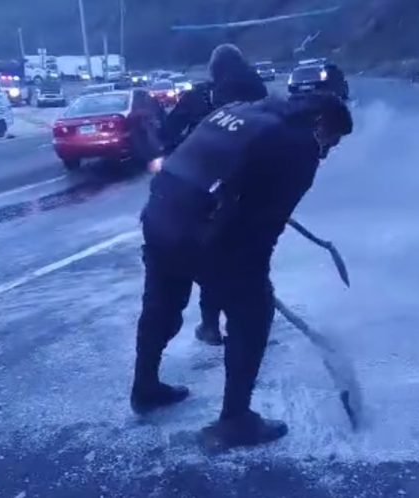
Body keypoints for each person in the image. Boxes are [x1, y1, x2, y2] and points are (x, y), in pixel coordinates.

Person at [130, 90, 354, 450]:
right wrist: (253, 277)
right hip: (199, 226)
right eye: (332, 140)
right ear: (321, 123)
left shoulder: (236, 110)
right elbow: (266, 225)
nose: (327, 150)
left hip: (160, 214)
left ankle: (145, 389)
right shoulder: (299, 146)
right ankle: (235, 421)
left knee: (161, 305)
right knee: (253, 312)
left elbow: (216, 166)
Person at [162, 43, 269, 346]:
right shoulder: (258, 91)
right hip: (250, 189)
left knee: (213, 258)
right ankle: (251, 321)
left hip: (203, 190)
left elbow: (168, 132)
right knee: (254, 257)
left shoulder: (200, 96)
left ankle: (210, 324)